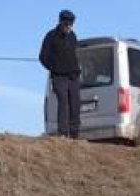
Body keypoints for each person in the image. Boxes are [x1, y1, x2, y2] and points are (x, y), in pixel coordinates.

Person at [39, 10, 81, 139]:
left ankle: (74, 134)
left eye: (71, 25)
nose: (69, 27)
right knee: (63, 103)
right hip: (59, 77)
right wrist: (54, 68)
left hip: (73, 76)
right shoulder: (51, 36)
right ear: (61, 22)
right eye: (67, 25)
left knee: (75, 104)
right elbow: (42, 57)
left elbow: (75, 55)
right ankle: (62, 133)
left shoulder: (73, 36)